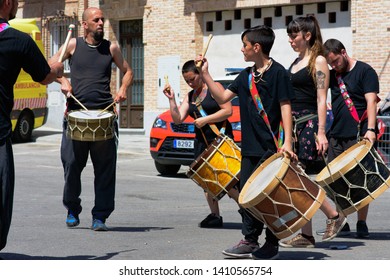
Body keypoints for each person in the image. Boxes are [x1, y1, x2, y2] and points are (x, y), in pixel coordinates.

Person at [198, 25, 296, 260]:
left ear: (256, 47)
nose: (242, 49)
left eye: (244, 45)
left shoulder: (279, 73)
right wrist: (205, 75)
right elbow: (222, 97)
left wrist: (288, 143)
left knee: (271, 197)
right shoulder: (246, 76)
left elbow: (286, 107)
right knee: (247, 196)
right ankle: (250, 240)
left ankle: (272, 243)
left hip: (273, 147)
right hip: (250, 148)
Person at [49, 7, 133, 231]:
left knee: (105, 170)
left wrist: (123, 88)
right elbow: (49, 67)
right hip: (76, 115)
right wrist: (62, 81)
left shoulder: (111, 47)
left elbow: (128, 71)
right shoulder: (73, 45)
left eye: (102, 19)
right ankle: (72, 209)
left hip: (104, 115)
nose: (101, 23)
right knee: (71, 166)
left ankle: (100, 217)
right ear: (84, 24)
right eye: (96, 20)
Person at [0, 0, 64, 250]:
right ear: (7, 3)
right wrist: (57, 68)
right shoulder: (18, 40)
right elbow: (45, 75)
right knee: (2, 197)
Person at [278, 16, 347, 248]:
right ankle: (306, 235)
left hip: (308, 125)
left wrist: (320, 131)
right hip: (293, 127)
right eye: (289, 36)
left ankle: (334, 215)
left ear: (307, 36)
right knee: (295, 179)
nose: (290, 40)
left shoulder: (317, 61)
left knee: (300, 178)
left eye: (294, 36)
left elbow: (321, 98)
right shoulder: (297, 60)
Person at [163, 60, 239, 228]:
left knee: (228, 180)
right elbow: (177, 118)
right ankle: (215, 215)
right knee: (206, 178)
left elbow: (228, 110)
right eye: (187, 81)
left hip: (221, 138)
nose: (190, 83)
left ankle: (247, 210)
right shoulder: (190, 96)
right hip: (202, 141)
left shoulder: (214, 87)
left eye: (192, 79)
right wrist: (171, 100)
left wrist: (206, 119)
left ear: (199, 73)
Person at [320, 38, 379, 238]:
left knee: (362, 180)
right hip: (336, 135)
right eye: (331, 64)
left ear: (343, 52)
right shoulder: (333, 75)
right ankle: (342, 219)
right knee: (335, 181)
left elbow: (372, 102)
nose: (334, 66)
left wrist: (370, 129)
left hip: (360, 135)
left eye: (336, 61)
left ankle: (361, 222)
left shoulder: (365, 71)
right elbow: (319, 91)